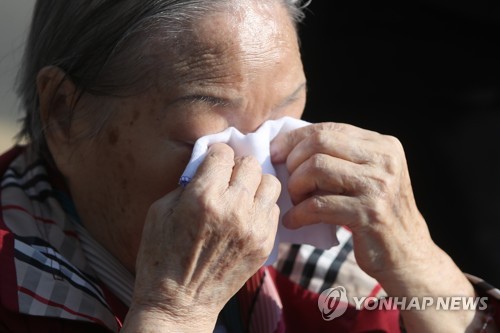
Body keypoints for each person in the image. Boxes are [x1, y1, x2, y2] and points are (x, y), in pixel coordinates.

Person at [0, 1, 498, 332]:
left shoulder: (323, 271)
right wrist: (176, 309)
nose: (263, 176)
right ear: (64, 114)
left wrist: (415, 260)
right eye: (220, 139)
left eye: (286, 122)